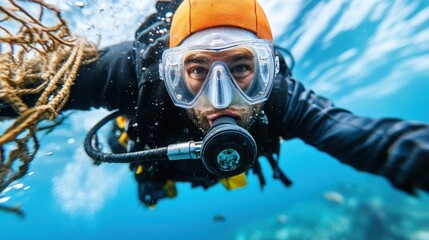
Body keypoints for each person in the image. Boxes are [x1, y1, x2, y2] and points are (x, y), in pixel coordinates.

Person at [2, 0, 429, 207]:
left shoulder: (280, 98)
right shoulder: (129, 73)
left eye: (241, 67)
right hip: (151, 156)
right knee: (147, 181)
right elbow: (21, 89)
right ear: (171, 72)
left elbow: (378, 142)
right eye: (198, 68)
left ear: (266, 70)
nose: (219, 95)